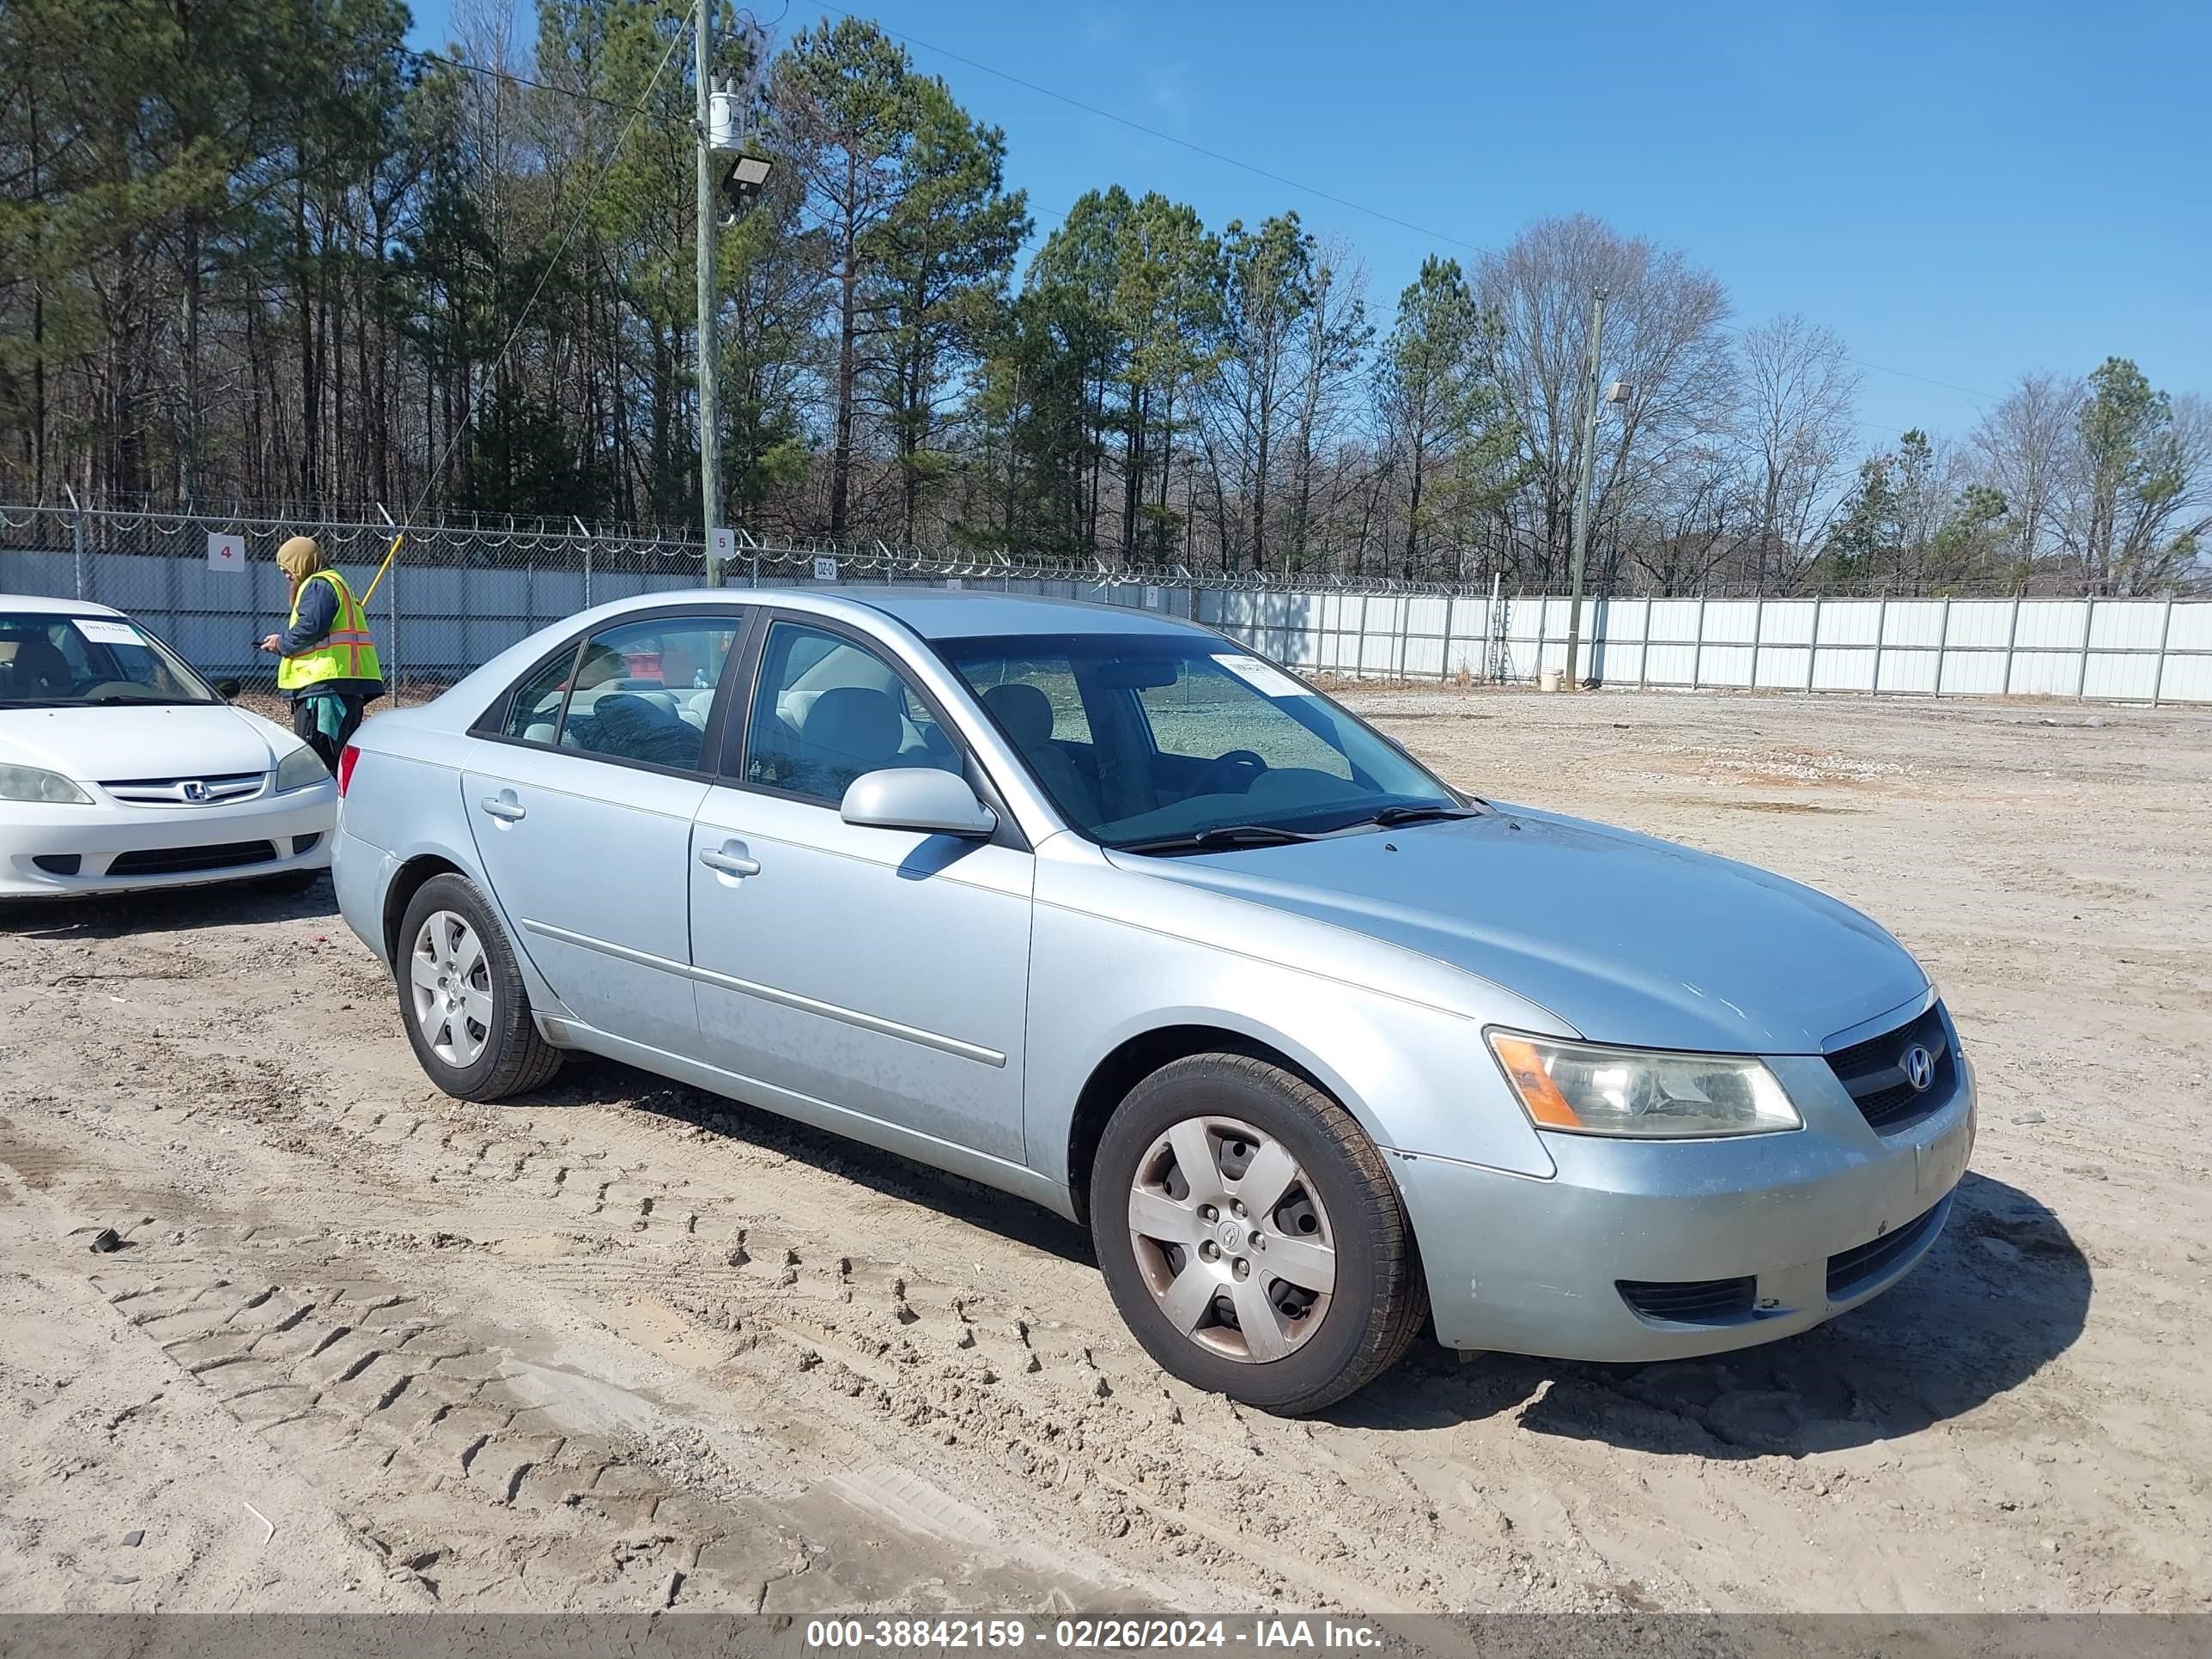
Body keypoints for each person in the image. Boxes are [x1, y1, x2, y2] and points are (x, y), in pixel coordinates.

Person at [259, 535, 384, 768]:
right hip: (341, 685)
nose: (287, 575)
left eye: (288, 568)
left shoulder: (319, 585)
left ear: (302, 562)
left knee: (318, 761)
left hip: (325, 689)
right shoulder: (337, 583)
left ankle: (324, 803)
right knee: (337, 760)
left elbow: (311, 627)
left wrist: (282, 643)